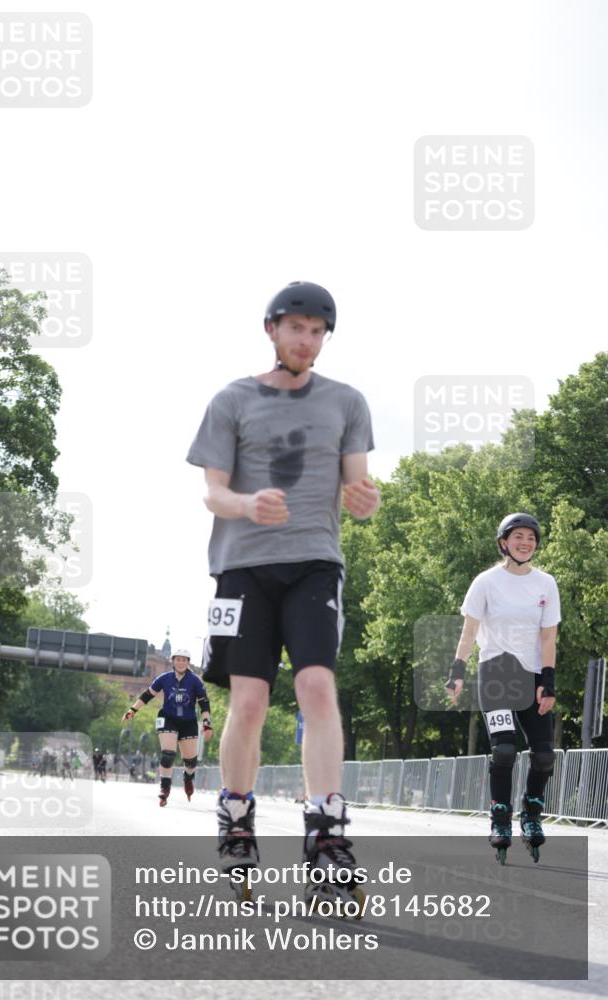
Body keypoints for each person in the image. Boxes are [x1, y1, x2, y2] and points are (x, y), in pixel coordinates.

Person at [186, 280, 380, 901]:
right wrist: (246, 503)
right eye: (296, 327)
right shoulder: (232, 400)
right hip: (242, 567)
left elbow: (361, 492)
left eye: (318, 331)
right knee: (248, 703)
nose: (307, 340)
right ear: (271, 329)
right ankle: (237, 820)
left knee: (317, 686)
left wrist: (368, 501)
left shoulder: (347, 403)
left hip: (315, 564)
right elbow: (212, 492)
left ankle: (326, 833)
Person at [446, 512, 561, 863]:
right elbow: (469, 631)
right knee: (505, 750)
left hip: (532, 677)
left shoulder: (546, 583)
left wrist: (548, 680)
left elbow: (548, 636)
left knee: (543, 755)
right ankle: (500, 818)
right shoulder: (486, 582)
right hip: (496, 673)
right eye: (518, 537)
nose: (525, 542)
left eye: (531, 537)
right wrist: (457, 670)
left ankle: (531, 811)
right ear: (503, 542)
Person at [121, 648, 213, 806]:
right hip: (168, 718)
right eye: (178, 659)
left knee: (191, 761)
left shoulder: (195, 680)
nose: (181, 662)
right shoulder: (164, 678)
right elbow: (147, 695)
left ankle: (188, 777)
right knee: (168, 755)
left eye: (184, 660)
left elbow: (204, 703)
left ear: (188, 662)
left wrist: (206, 724)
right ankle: (165, 788)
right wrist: (133, 710)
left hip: (188, 721)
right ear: (173, 661)